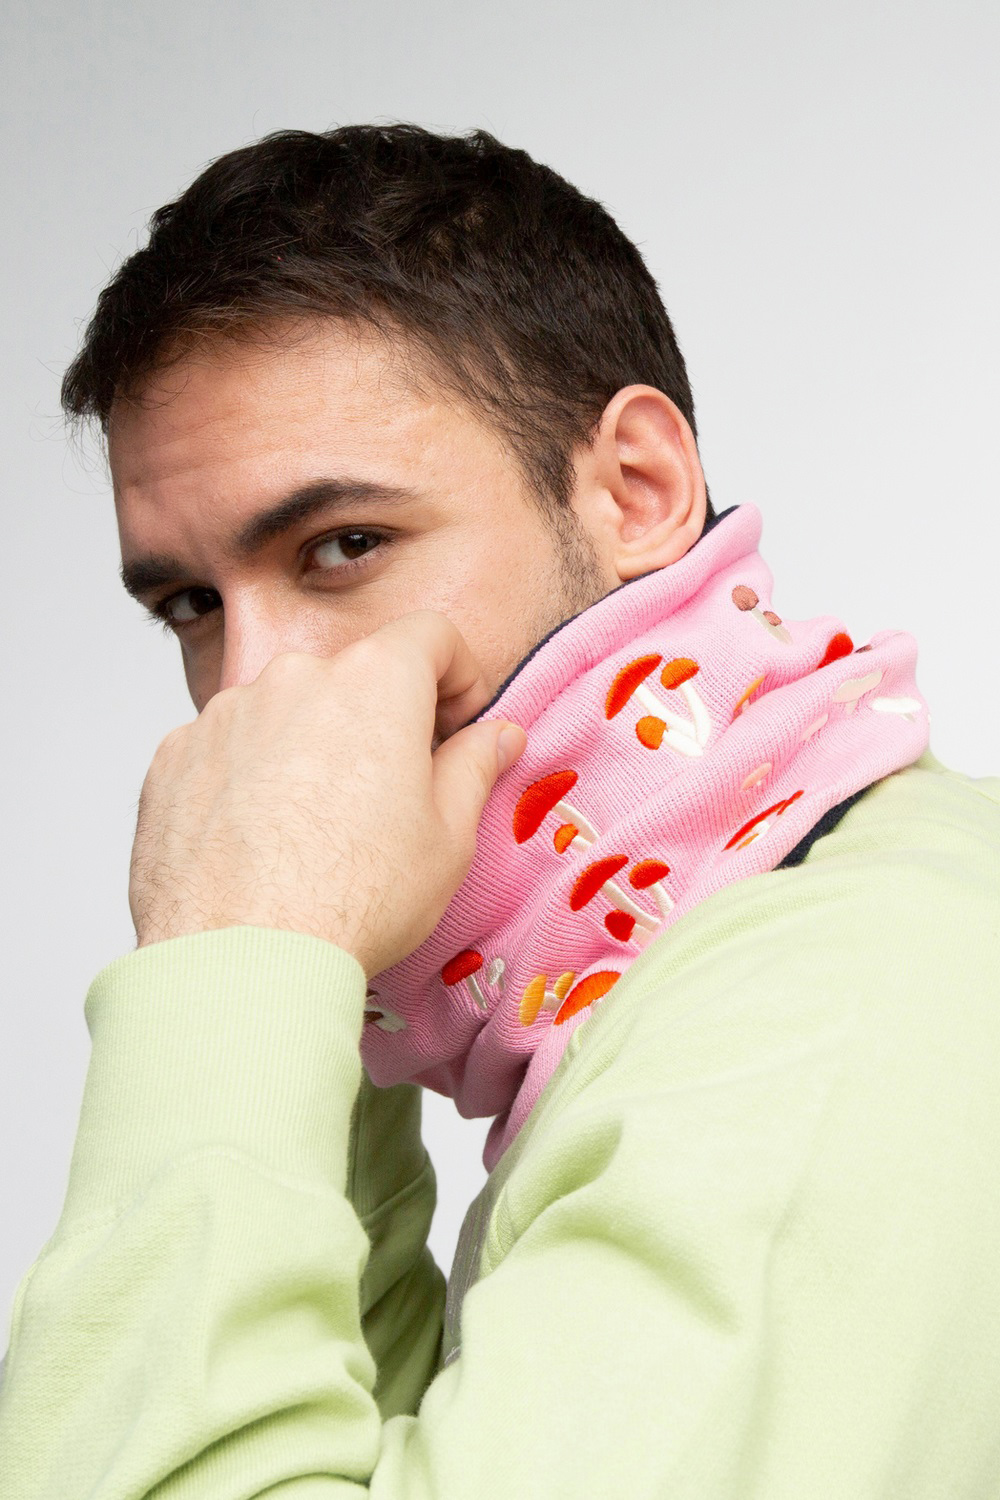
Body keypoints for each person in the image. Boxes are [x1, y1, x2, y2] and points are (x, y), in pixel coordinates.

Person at [1, 124, 998, 1498]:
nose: (253, 691)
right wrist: (302, 983)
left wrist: (232, 965)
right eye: (190, 605)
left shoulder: (823, 1013)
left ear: (636, 490)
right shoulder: (742, 958)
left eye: (345, 546)